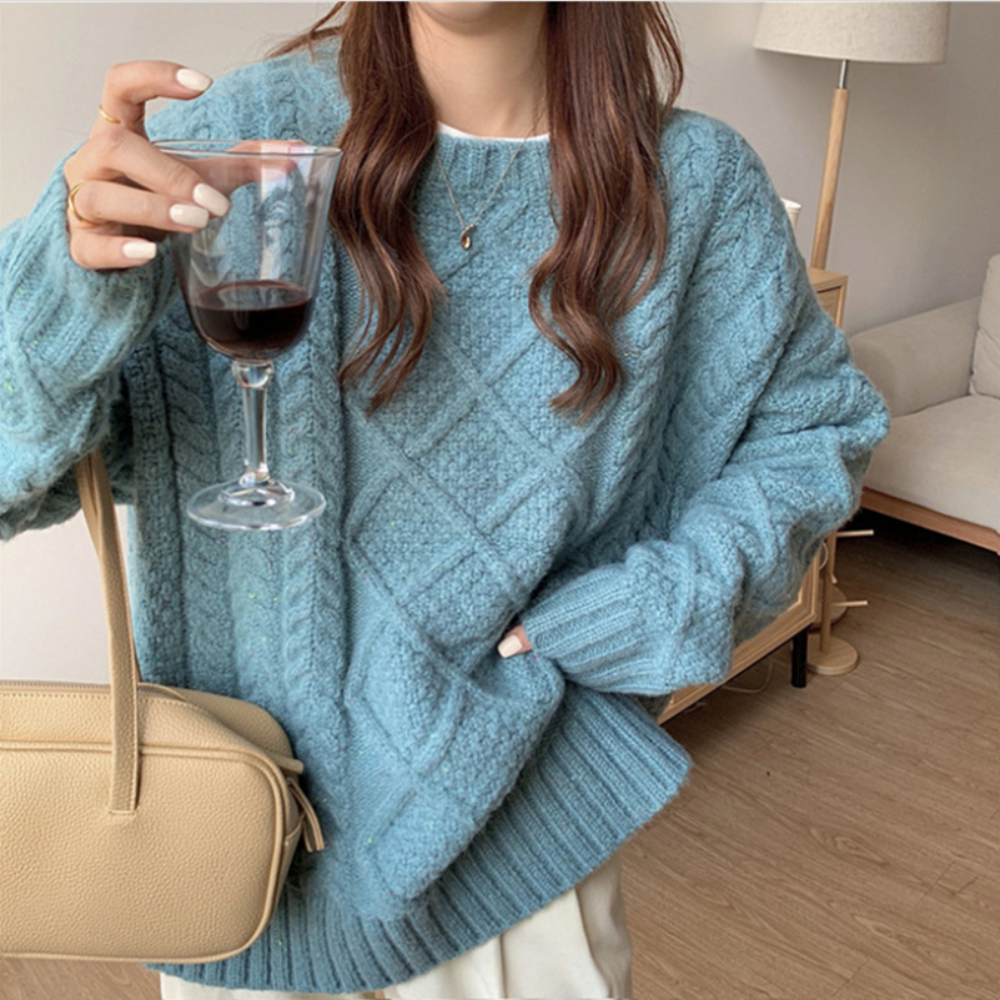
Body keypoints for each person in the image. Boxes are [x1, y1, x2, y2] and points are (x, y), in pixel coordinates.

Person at [0, 2, 891, 998]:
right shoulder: (221, 150)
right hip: (241, 843)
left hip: (526, 840)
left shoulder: (695, 184)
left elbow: (814, 431)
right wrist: (64, 286)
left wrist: (652, 606)